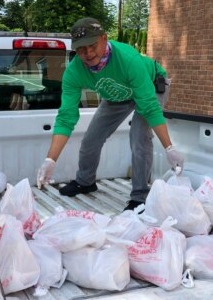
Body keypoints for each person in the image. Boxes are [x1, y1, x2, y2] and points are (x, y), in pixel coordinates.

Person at [37, 17, 184, 210]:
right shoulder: (74, 72)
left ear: (104, 38)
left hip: (151, 85)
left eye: (92, 45)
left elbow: (148, 106)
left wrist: (169, 148)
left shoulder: (127, 59)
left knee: (139, 136)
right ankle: (85, 181)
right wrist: (50, 160)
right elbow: (66, 116)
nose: (88, 53)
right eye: (81, 49)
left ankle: (139, 197)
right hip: (117, 94)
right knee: (91, 138)